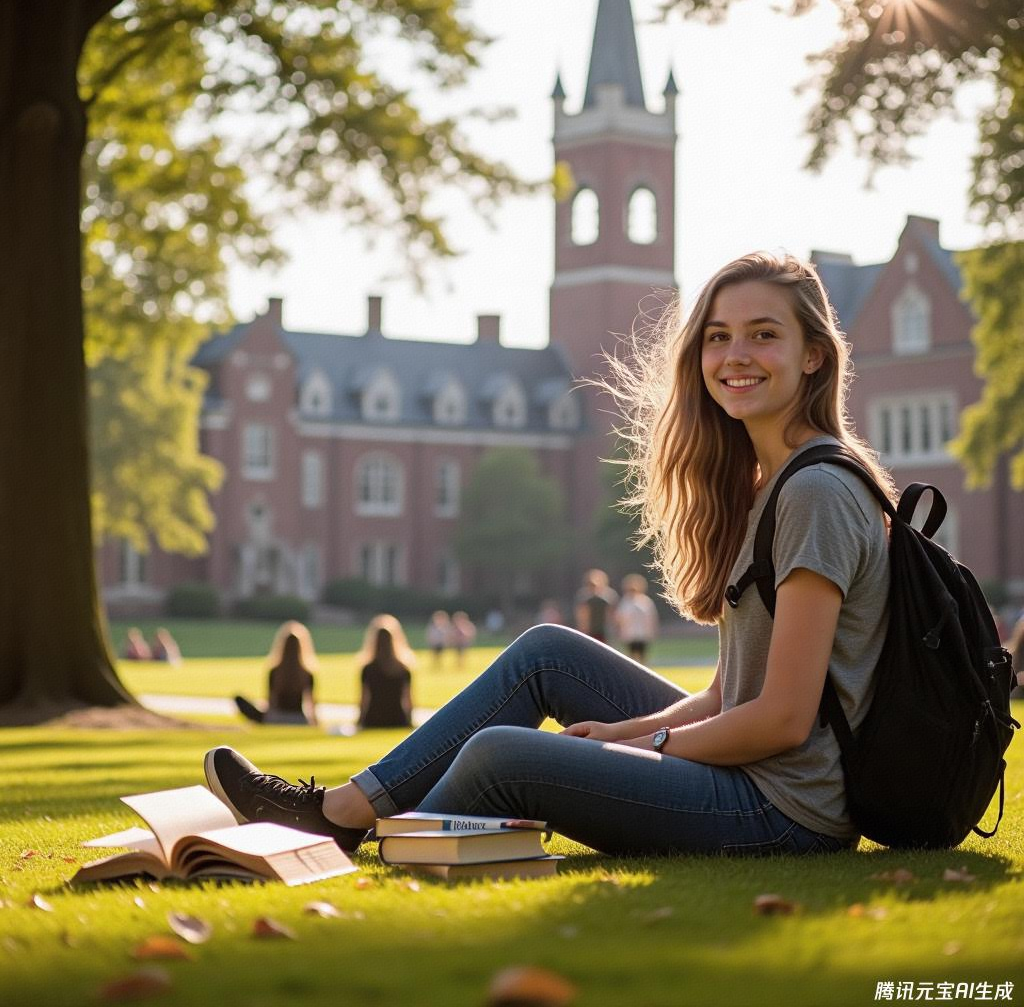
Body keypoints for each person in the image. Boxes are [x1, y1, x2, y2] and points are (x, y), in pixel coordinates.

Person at [205, 251, 894, 858]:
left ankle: (360, 834)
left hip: (783, 810)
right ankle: (345, 811)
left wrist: (637, 748)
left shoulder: (816, 492)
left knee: (502, 755)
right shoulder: (768, 485)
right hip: (751, 773)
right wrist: (628, 730)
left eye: (763, 335)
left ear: (814, 355)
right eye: (718, 337)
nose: (735, 354)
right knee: (547, 654)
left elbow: (782, 719)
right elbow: (726, 694)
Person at [234, 620, 318, 725]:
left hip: (275, 717)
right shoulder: (307, 673)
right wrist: (314, 722)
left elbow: (270, 701)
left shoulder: (275, 671)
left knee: (239, 699)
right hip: (299, 719)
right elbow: (311, 704)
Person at [357, 615, 415, 729]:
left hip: (373, 719)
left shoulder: (368, 669)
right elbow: (408, 700)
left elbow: (364, 699)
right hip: (397, 719)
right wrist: (409, 721)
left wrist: (360, 721)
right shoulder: (403, 669)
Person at [615, 574, 659, 665]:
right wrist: (621, 630)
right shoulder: (625, 602)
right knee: (631, 657)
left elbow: (651, 617)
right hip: (630, 634)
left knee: (642, 656)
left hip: (642, 634)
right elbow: (620, 618)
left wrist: (651, 630)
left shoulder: (645, 601)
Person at [573, 568, 618, 643]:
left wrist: (613, 627)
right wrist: (583, 627)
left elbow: (612, 613)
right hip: (590, 630)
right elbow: (582, 614)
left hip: (603, 629)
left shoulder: (608, 597)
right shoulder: (584, 597)